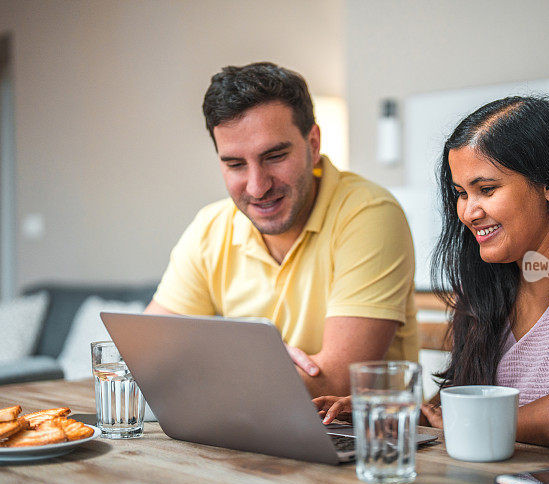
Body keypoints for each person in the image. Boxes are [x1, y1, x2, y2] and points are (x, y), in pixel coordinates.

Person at [315, 96, 549, 466]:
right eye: (460, 194)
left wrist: (455, 421)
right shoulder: (492, 278)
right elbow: (461, 401)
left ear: (548, 183)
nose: (468, 212)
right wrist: (394, 411)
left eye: (486, 189)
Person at [146, 62, 417, 398]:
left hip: (367, 441)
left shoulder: (369, 213)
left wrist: (212, 366)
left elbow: (335, 381)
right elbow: (148, 359)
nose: (258, 187)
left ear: (313, 144)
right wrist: (259, 368)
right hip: (249, 433)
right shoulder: (211, 227)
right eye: (235, 164)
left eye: (274, 156)